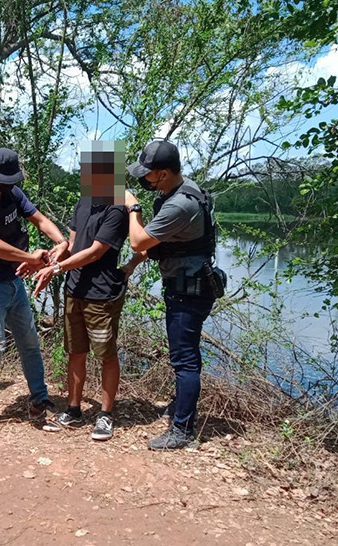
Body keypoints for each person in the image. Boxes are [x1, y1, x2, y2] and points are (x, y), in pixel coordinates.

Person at [32, 142, 145, 441]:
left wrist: (57, 269)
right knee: (75, 351)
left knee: (106, 354)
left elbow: (96, 251)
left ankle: (105, 414)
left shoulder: (117, 208)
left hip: (102, 294)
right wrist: (57, 253)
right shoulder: (83, 202)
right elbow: (73, 243)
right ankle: (74, 408)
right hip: (75, 288)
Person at [125, 139, 221, 451]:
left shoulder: (180, 204)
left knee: (184, 360)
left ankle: (182, 429)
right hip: (190, 285)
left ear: (164, 173)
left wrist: (133, 208)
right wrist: (130, 267)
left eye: (148, 174)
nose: (145, 179)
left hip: (187, 291)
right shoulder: (186, 190)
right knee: (186, 356)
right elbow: (159, 245)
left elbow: (139, 241)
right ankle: (182, 407)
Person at [0, 147, 70, 433]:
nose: (9, 184)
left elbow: (40, 219)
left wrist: (61, 242)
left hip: (14, 283)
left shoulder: (13, 194)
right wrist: (31, 258)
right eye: (4, 180)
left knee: (30, 343)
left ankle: (39, 398)